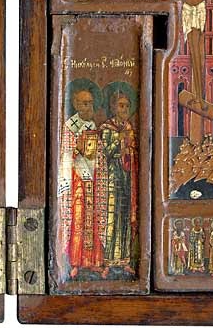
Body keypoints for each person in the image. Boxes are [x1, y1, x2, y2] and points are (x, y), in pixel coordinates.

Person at [58, 81, 105, 278]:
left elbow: (96, 155)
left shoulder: (92, 126)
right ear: (76, 104)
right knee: (77, 219)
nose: (89, 107)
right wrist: (77, 150)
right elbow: (65, 155)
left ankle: (92, 261)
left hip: (91, 181)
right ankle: (75, 261)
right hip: (76, 180)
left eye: (91, 103)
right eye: (85, 103)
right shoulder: (69, 126)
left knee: (92, 219)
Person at [98, 84, 138, 275]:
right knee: (111, 217)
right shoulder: (107, 128)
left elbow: (133, 150)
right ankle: (107, 261)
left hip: (127, 177)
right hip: (112, 178)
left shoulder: (129, 128)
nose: (124, 109)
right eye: (121, 106)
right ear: (113, 107)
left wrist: (129, 148)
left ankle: (125, 260)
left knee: (125, 218)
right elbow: (105, 152)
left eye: (127, 106)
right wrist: (119, 141)